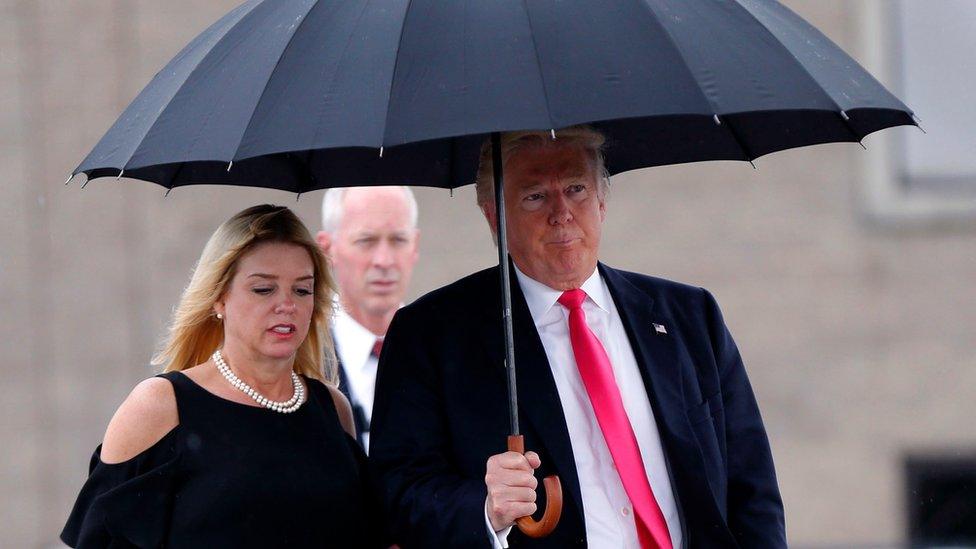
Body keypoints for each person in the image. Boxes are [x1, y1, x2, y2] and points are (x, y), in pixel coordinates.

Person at [370, 127, 786, 548]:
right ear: (494, 215)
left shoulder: (688, 316)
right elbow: (401, 494)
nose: (562, 212)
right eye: (535, 196)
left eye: (576, 189)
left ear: (602, 201)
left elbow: (751, 488)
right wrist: (485, 508)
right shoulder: (431, 335)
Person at [61, 205, 387, 548]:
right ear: (219, 298)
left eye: (302, 290)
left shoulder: (332, 408)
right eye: (264, 289)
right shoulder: (161, 406)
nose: (286, 305)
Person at [316, 186, 420, 451]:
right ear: (327, 250)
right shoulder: (298, 358)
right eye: (366, 240)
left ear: (415, 246)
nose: (384, 261)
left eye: (398, 239)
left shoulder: (448, 352)